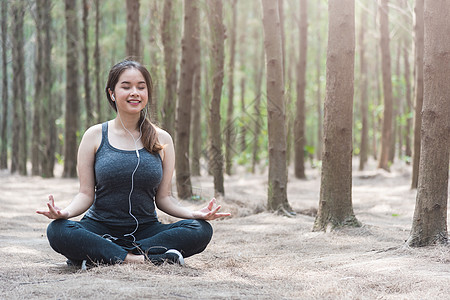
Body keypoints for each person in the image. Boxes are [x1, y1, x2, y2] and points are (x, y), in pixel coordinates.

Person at [36, 60, 230, 267]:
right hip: (99, 227)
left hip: (146, 230)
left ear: (147, 93)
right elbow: (85, 194)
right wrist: (64, 212)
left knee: (201, 229)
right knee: (57, 230)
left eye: (141, 87)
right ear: (112, 93)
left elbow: (164, 198)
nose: (134, 92)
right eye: (126, 86)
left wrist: (194, 213)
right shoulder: (94, 136)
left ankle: (103, 255)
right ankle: (139, 258)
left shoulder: (162, 139)